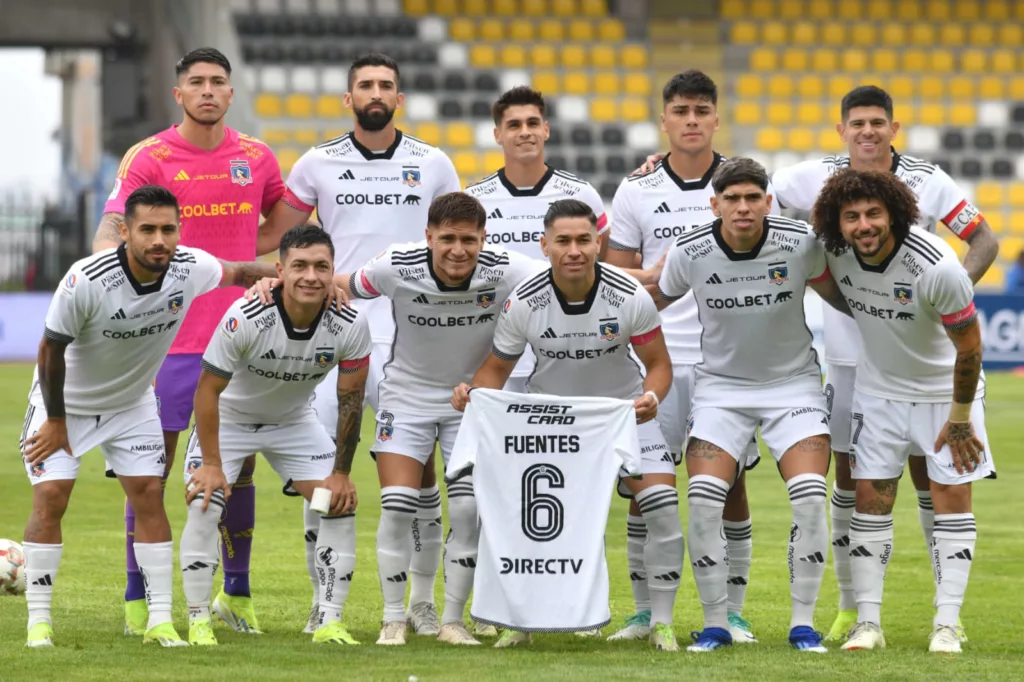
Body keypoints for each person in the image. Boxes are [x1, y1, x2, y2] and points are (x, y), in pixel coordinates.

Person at [768, 86, 999, 641]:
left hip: (933, 368)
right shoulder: (813, 184)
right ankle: (857, 612)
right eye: (857, 123)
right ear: (841, 129)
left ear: (894, 129)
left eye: (878, 122)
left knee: (936, 483)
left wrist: (943, 301)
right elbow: (752, 194)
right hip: (860, 365)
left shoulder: (930, 201)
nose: (867, 131)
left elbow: (983, 240)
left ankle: (948, 620)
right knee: (858, 487)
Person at [256, 52, 462, 636]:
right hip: (335, 330)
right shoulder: (317, 163)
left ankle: (420, 607)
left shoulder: (433, 162)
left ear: (400, 98)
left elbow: (459, 239)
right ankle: (325, 606)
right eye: (365, 85)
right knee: (322, 469)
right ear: (348, 99)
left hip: (412, 335)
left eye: (387, 85)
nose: (377, 93)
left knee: (418, 474)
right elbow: (277, 236)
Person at [19, 185, 278, 648]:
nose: (159, 240)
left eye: (168, 229)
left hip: (133, 402)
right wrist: (56, 421)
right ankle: (39, 622)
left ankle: (159, 621)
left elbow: (238, 271)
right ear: (125, 231)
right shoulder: (87, 278)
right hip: (67, 404)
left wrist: (279, 280)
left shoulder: (190, 267)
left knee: (149, 495)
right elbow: (49, 350)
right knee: (52, 497)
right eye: (148, 230)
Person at [93, 47, 285, 636]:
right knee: (151, 470)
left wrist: (251, 263)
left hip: (243, 335)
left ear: (231, 92)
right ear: (179, 94)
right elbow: (113, 228)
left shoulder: (257, 157)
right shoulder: (149, 155)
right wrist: (108, 276)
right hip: (168, 341)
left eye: (218, 82)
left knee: (238, 468)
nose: (207, 90)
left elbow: (283, 217)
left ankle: (237, 593)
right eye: (196, 82)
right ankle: (138, 600)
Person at [452, 198, 682, 652]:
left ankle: (662, 622)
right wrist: (471, 393)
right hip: (551, 422)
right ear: (545, 245)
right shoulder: (526, 301)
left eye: (583, 240)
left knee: (663, 507)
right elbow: (496, 369)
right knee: (533, 524)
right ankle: (523, 621)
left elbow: (659, 365)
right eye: (563, 241)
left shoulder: (629, 295)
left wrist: (652, 396)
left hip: (620, 413)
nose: (574, 250)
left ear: (598, 243)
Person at [653, 158, 852, 653]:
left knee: (809, 496)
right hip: (721, 389)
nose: (744, 208)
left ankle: (802, 626)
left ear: (767, 200)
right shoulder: (690, 250)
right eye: (732, 199)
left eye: (753, 198)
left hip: (794, 387)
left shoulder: (801, 243)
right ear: (714, 203)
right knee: (702, 501)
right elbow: (651, 301)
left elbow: (845, 298)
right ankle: (717, 624)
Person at [605, 69, 766, 644]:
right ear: (665, 119)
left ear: (716, 118)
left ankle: (735, 611)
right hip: (654, 357)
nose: (692, 120)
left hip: (727, 360)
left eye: (702, 110)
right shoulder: (637, 188)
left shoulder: (742, 183)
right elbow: (617, 272)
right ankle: (646, 611)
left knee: (729, 486)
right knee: (647, 485)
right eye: (681, 110)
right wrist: (654, 275)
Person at [809, 169, 994, 653]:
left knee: (951, 501)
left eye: (873, 213)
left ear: (896, 214)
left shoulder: (940, 269)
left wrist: (959, 418)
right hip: (879, 395)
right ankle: (867, 623)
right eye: (851, 216)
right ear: (838, 222)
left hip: (944, 397)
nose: (863, 225)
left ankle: (947, 624)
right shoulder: (835, 252)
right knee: (870, 500)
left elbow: (971, 348)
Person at [180, 226, 371, 647]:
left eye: (322, 267)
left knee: (334, 504)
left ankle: (328, 620)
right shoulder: (245, 316)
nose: (311, 276)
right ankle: (198, 620)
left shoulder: (350, 322)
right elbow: (206, 393)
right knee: (205, 501)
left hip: (293, 424)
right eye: (299, 266)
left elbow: (351, 401)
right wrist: (211, 465)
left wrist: (341, 472)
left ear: (333, 271)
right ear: (280, 270)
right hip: (229, 421)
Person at [465, 85, 609, 401]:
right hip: (496, 356)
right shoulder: (474, 201)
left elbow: (604, 265)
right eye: (513, 125)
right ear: (497, 135)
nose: (525, 132)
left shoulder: (582, 195)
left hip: (568, 355)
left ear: (546, 130)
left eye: (532, 123)